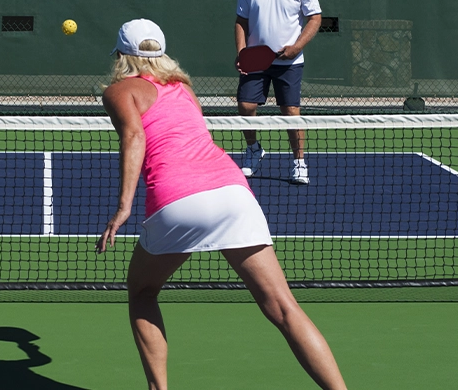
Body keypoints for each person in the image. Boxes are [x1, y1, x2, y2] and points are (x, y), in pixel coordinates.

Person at [98, 19, 346, 389]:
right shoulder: (182, 87)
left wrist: (123, 206)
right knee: (284, 308)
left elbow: (134, 136)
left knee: (142, 292)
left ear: (120, 55)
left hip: (177, 200)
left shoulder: (119, 90)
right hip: (233, 192)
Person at [235, 0, 322, 184]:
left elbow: (314, 18)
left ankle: (299, 162)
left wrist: (296, 48)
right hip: (255, 61)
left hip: (289, 62)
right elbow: (241, 21)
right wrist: (242, 53)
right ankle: (253, 149)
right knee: (245, 106)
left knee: (291, 112)